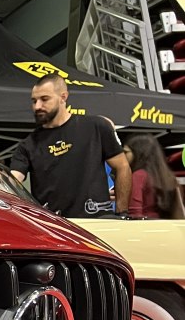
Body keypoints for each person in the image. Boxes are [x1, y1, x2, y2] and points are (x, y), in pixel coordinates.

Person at [10, 74, 130, 217]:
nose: (37, 106)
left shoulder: (96, 126)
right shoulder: (28, 145)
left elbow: (122, 167)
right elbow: (13, 179)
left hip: (98, 221)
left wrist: (122, 213)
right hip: (56, 229)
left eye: (44, 99)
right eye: (34, 101)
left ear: (63, 97)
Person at [122, 133, 185, 219]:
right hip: (166, 227)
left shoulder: (139, 176)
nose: (123, 156)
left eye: (126, 152)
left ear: (139, 152)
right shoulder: (168, 176)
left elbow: (134, 213)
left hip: (144, 228)